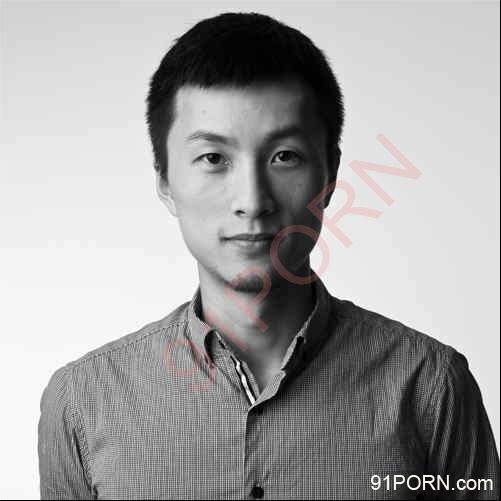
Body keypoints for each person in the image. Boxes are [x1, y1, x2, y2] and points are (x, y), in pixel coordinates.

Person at [38, 11, 499, 500]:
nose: (253, 201)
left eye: (285, 156)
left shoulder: (431, 386)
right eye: (213, 158)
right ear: (165, 180)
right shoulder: (82, 402)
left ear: (330, 174)